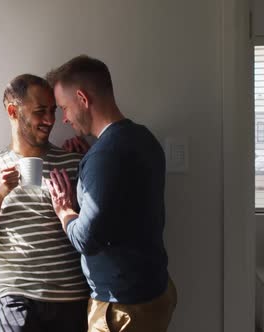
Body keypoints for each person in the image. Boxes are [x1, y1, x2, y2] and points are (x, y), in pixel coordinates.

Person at [45, 55, 177, 332]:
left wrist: (64, 210)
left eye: (64, 108)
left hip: (122, 308)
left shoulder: (105, 156)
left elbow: (86, 238)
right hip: (154, 291)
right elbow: (123, 201)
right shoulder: (143, 138)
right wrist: (91, 162)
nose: (64, 119)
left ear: (82, 98)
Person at [0, 74, 90, 332]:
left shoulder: (73, 161)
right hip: (16, 298)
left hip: (71, 297)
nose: (50, 120)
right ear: (13, 111)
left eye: (53, 111)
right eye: (40, 111)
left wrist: (91, 160)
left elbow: (93, 226)